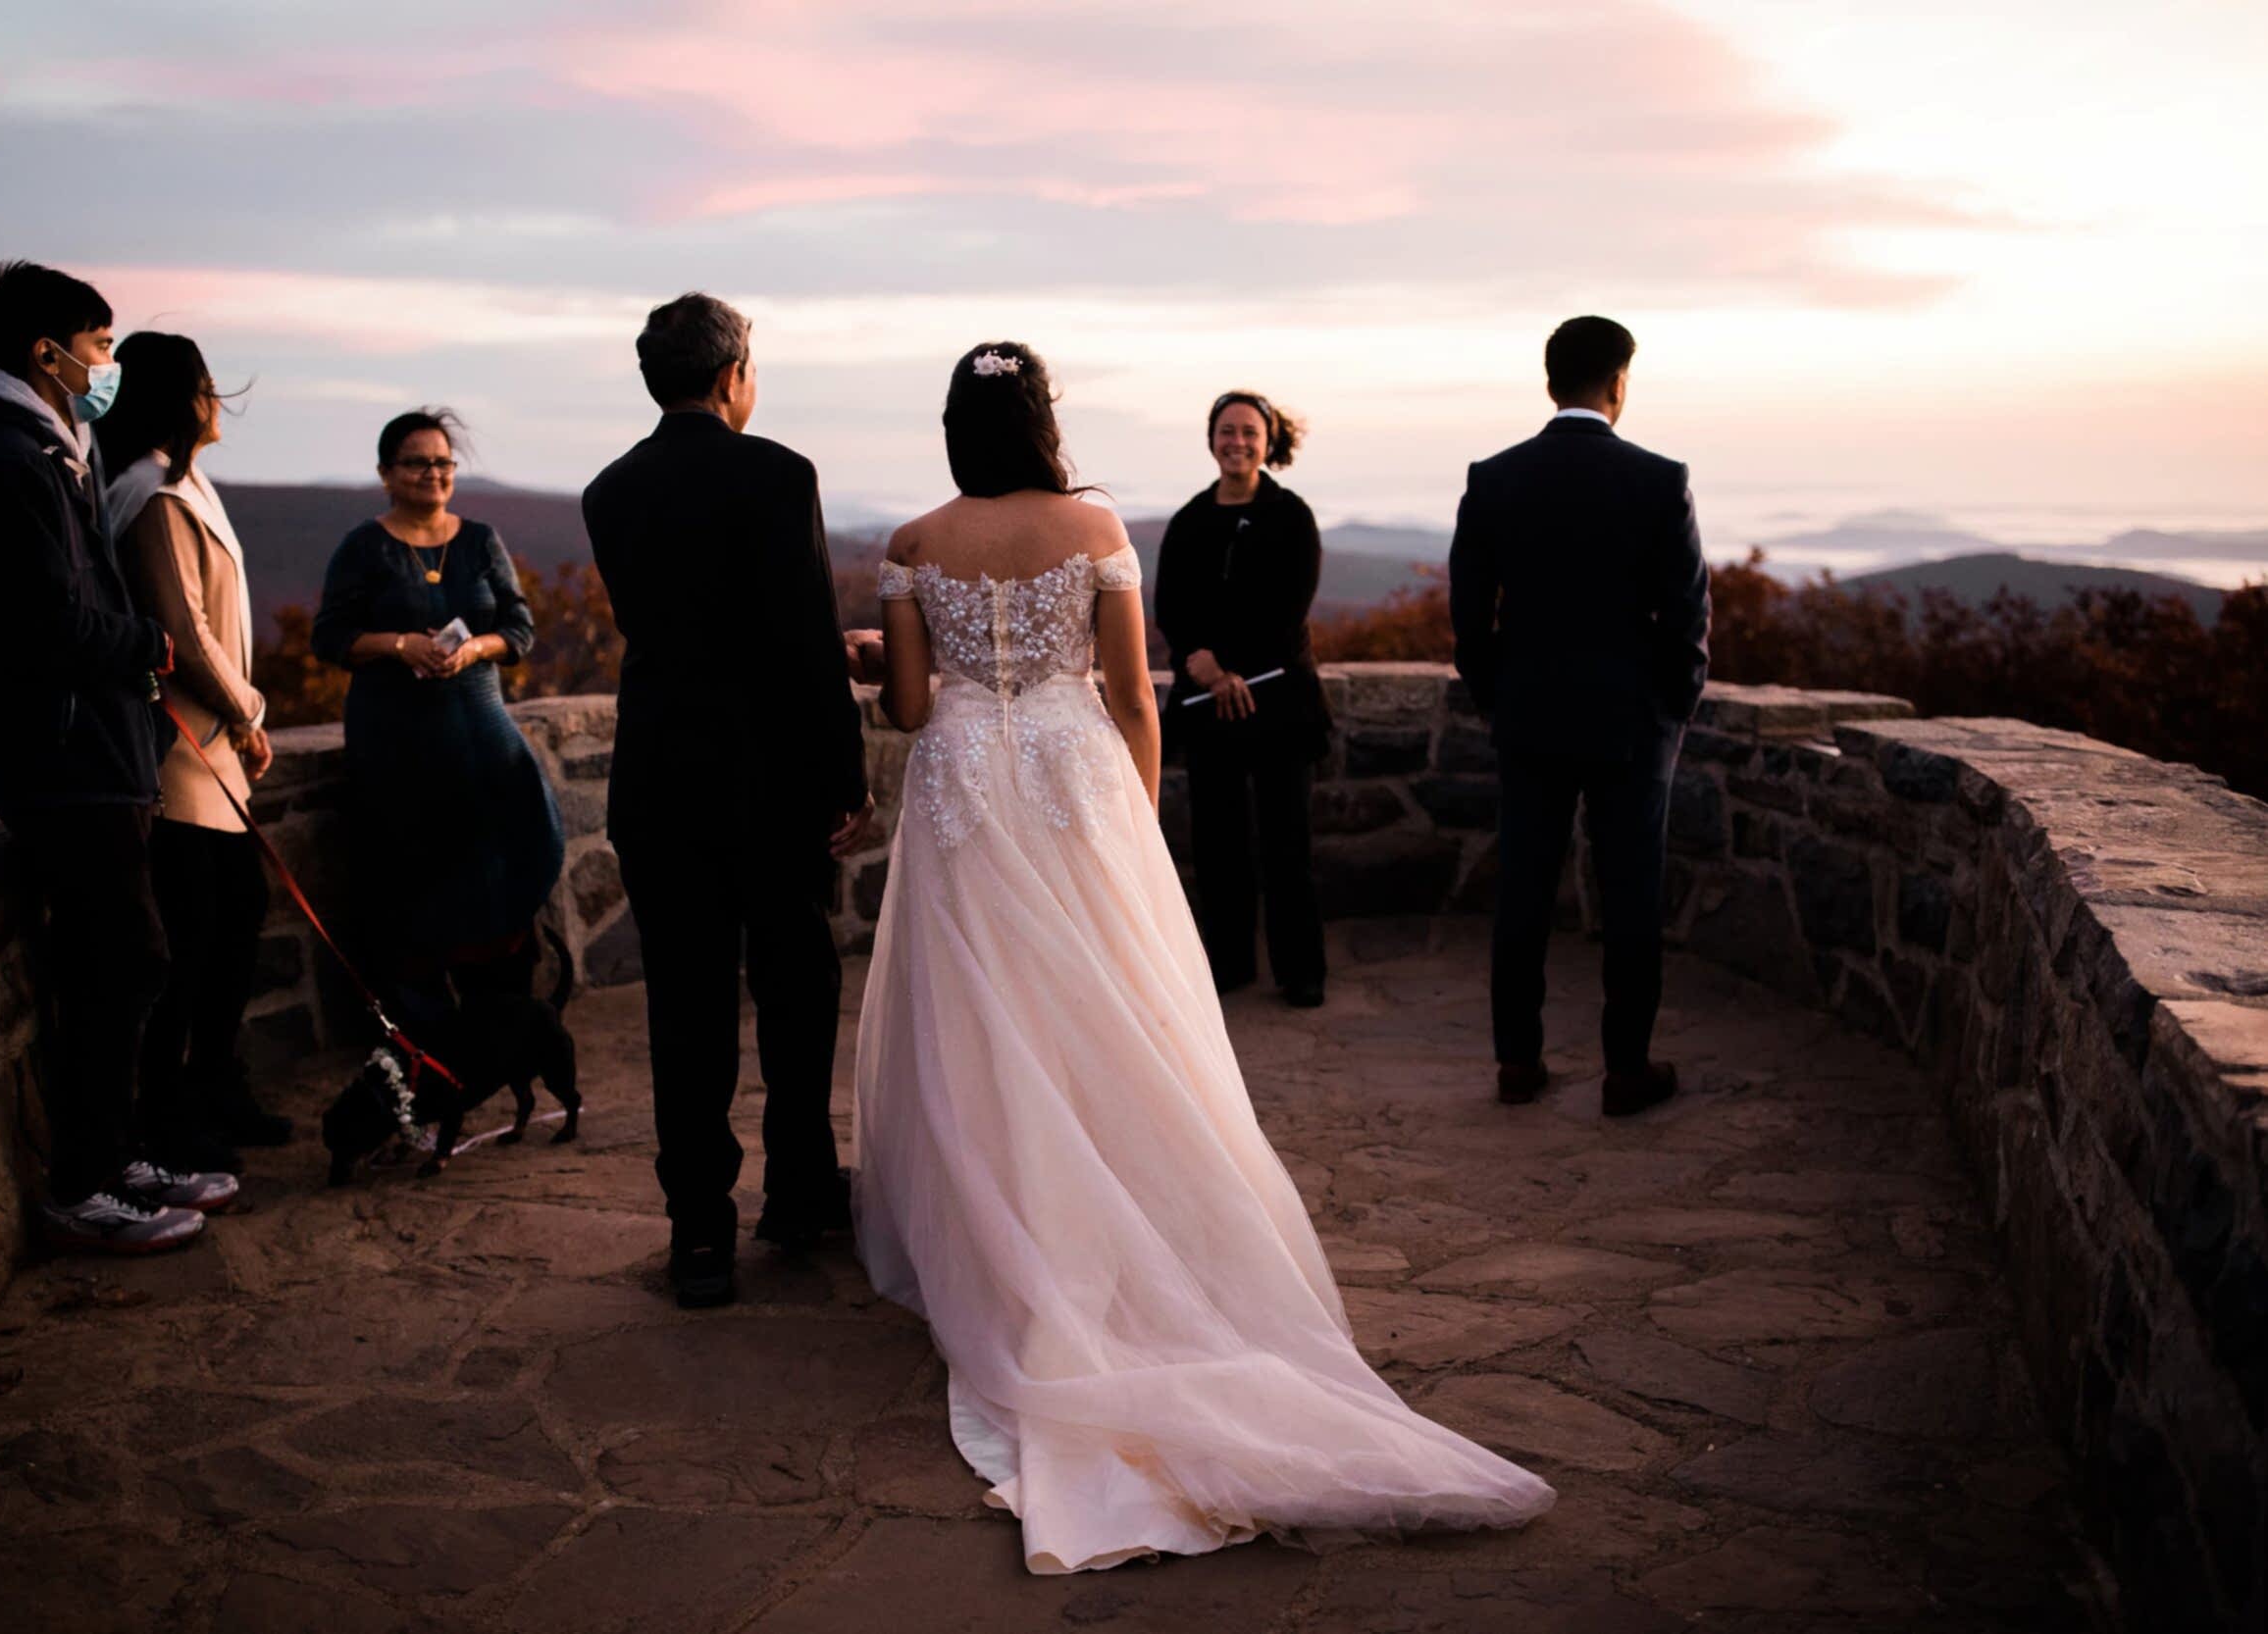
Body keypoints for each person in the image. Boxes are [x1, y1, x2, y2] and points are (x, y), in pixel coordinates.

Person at [851, 341, 1554, 1574]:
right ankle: (1113, 1230)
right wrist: (1133, 821)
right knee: (1104, 1016)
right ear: (1040, 420)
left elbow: (910, 710)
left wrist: (892, 656)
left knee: (978, 1019)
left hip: (963, 786)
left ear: (958, 424)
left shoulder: (914, 543)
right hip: (1074, 788)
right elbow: (1133, 690)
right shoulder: (1096, 523)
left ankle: (1012, 1242)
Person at [0, 261, 235, 1253]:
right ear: (45, 353)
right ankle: (87, 1183)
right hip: (62, 754)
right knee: (128, 958)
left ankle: (121, 1153)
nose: (108, 364)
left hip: (88, 746)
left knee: (118, 959)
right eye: (98, 346)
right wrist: (149, 644)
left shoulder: (43, 450)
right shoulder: (9, 463)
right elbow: (41, 623)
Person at [581, 293, 872, 1309]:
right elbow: (801, 639)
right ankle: (796, 1195)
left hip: (662, 779)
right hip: (772, 781)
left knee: (686, 1006)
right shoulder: (780, 475)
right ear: (732, 374)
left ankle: (698, 1230)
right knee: (796, 990)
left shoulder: (608, 491)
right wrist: (845, 776)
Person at [1448, 316, 1711, 1116]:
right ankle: (1626, 1071)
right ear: (1619, 383)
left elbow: (1468, 619)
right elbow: (1687, 620)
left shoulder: (1494, 478)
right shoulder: (1660, 480)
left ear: (1550, 380)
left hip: (1529, 719)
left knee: (1523, 891)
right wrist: (1670, 716)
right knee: (1632, 894)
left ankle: (1517, 1065)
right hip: (1631, 727)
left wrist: (1501, 700)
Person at [100, 331, 292, 1173]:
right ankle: (172, 1112)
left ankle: (215, 1082)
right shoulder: (151, 494)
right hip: (182, 752)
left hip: (211, 752)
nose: (219, 401)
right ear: (183, 398)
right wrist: (248, 709)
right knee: (192, 940)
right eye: (209, 387)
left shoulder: (185, 484)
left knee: (235, 920)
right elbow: (184, 627)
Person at [309, 409, 565, 1028]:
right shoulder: (364, 547)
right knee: (410, 894)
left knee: (498, 882)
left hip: (481, 746)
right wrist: (401, 646)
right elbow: (330, 636)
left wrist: (473, 648)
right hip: (396, 751)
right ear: (386, 473)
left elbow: (520, 628)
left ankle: (496, 1028)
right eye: (417, 462)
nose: (433, 473)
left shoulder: (479, 540)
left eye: (444, 462)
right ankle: (425, 1039)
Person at [1152, 389, 1332, 1006]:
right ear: (1211, 440)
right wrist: (1201, 665)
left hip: (1280, 704)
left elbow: (1289, 610)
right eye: (1227, 431)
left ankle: (1300, 971)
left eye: (1250, 433)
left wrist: (1234, 671)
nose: (1238, 442)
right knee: (1218, 843)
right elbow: (1171, 607)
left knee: (1287, 843)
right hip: (1208, 707)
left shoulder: (1292, 517)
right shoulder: (1189, 521)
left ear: (1269, 441)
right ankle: (1228, 966)